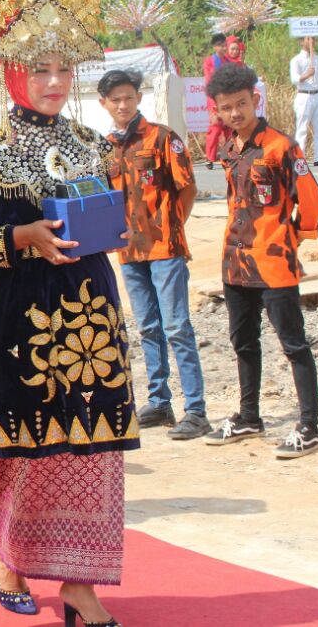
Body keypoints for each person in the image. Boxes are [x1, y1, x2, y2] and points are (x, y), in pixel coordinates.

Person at [0, 0, 136, 626]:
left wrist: (113, 228)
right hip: (26, 321)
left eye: (64, 69)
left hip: (92, 317)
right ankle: (9, 557)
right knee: (29, 449)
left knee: (94, 447)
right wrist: (22, 238)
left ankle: (81, 587)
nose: (55, 82)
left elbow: (100, 210)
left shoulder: (90, 142)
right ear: (11, 74)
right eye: (41, 69)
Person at [204, 62, 318, 459]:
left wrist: (296, 237)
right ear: (218, 111)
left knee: (293, 343)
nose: (235, 113)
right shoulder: (229, 149)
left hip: (273, 261)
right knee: (243, 341)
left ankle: (309, 427)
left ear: (255, 99)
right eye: (227, 107)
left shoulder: (281, 146)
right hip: (235, 262)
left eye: (241, 104)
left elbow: (310, 199)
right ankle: (249, 417)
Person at [99, 68, 208, 440]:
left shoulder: (163, 138)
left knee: (177, 327)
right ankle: (160, 402)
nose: (123, 104)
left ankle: (196, 409)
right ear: (104, 104)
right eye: (115, 100)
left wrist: (173, 228)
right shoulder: (106, 148)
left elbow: (187, 188)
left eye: (128, 97)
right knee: (147, 328)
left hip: (165, 248)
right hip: (129, 252)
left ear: (139, 98)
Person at [289, 36, 318, 166]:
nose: (311, 41)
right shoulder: (296, 60)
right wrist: (307, 75)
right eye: (308, 39)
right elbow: (295, 79)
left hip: (317, 95)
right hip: (304, 95)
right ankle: (300, 158)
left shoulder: (316, 59)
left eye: (312, 39)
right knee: (302, 128)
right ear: (301, 41)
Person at [202, 34, 235, 167]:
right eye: (221, 46)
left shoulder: (228, 62)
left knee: (229, 130)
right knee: (215, 129)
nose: (224, 48)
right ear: (215, 47)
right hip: (215, 100)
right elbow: (210, 81)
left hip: (227, 100)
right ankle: (210, 158)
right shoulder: (209, 61)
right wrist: (216, 103)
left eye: (225, 45)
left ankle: (227, 156)